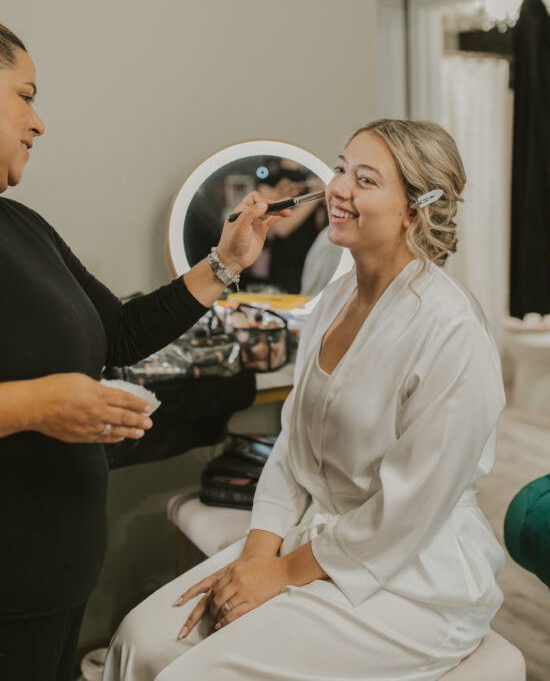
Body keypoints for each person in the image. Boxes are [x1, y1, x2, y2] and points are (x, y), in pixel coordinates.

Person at [103, 119, 506, 681]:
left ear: (415, 211)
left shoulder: (452, 331)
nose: (338, 187)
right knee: (140, 640)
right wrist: (256, 554)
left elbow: (410, 509)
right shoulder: (334, 299)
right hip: (318, 538)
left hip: (415, 575)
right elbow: (292, 447)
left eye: (365, 179)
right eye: (340, 168)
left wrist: (284, 572)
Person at [0, 23, 287, 681]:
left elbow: (119, 332)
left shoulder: (23, 226)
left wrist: (224, 264)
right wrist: (34, 404)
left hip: (59, 574)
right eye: (25, 96)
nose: (39, 123)